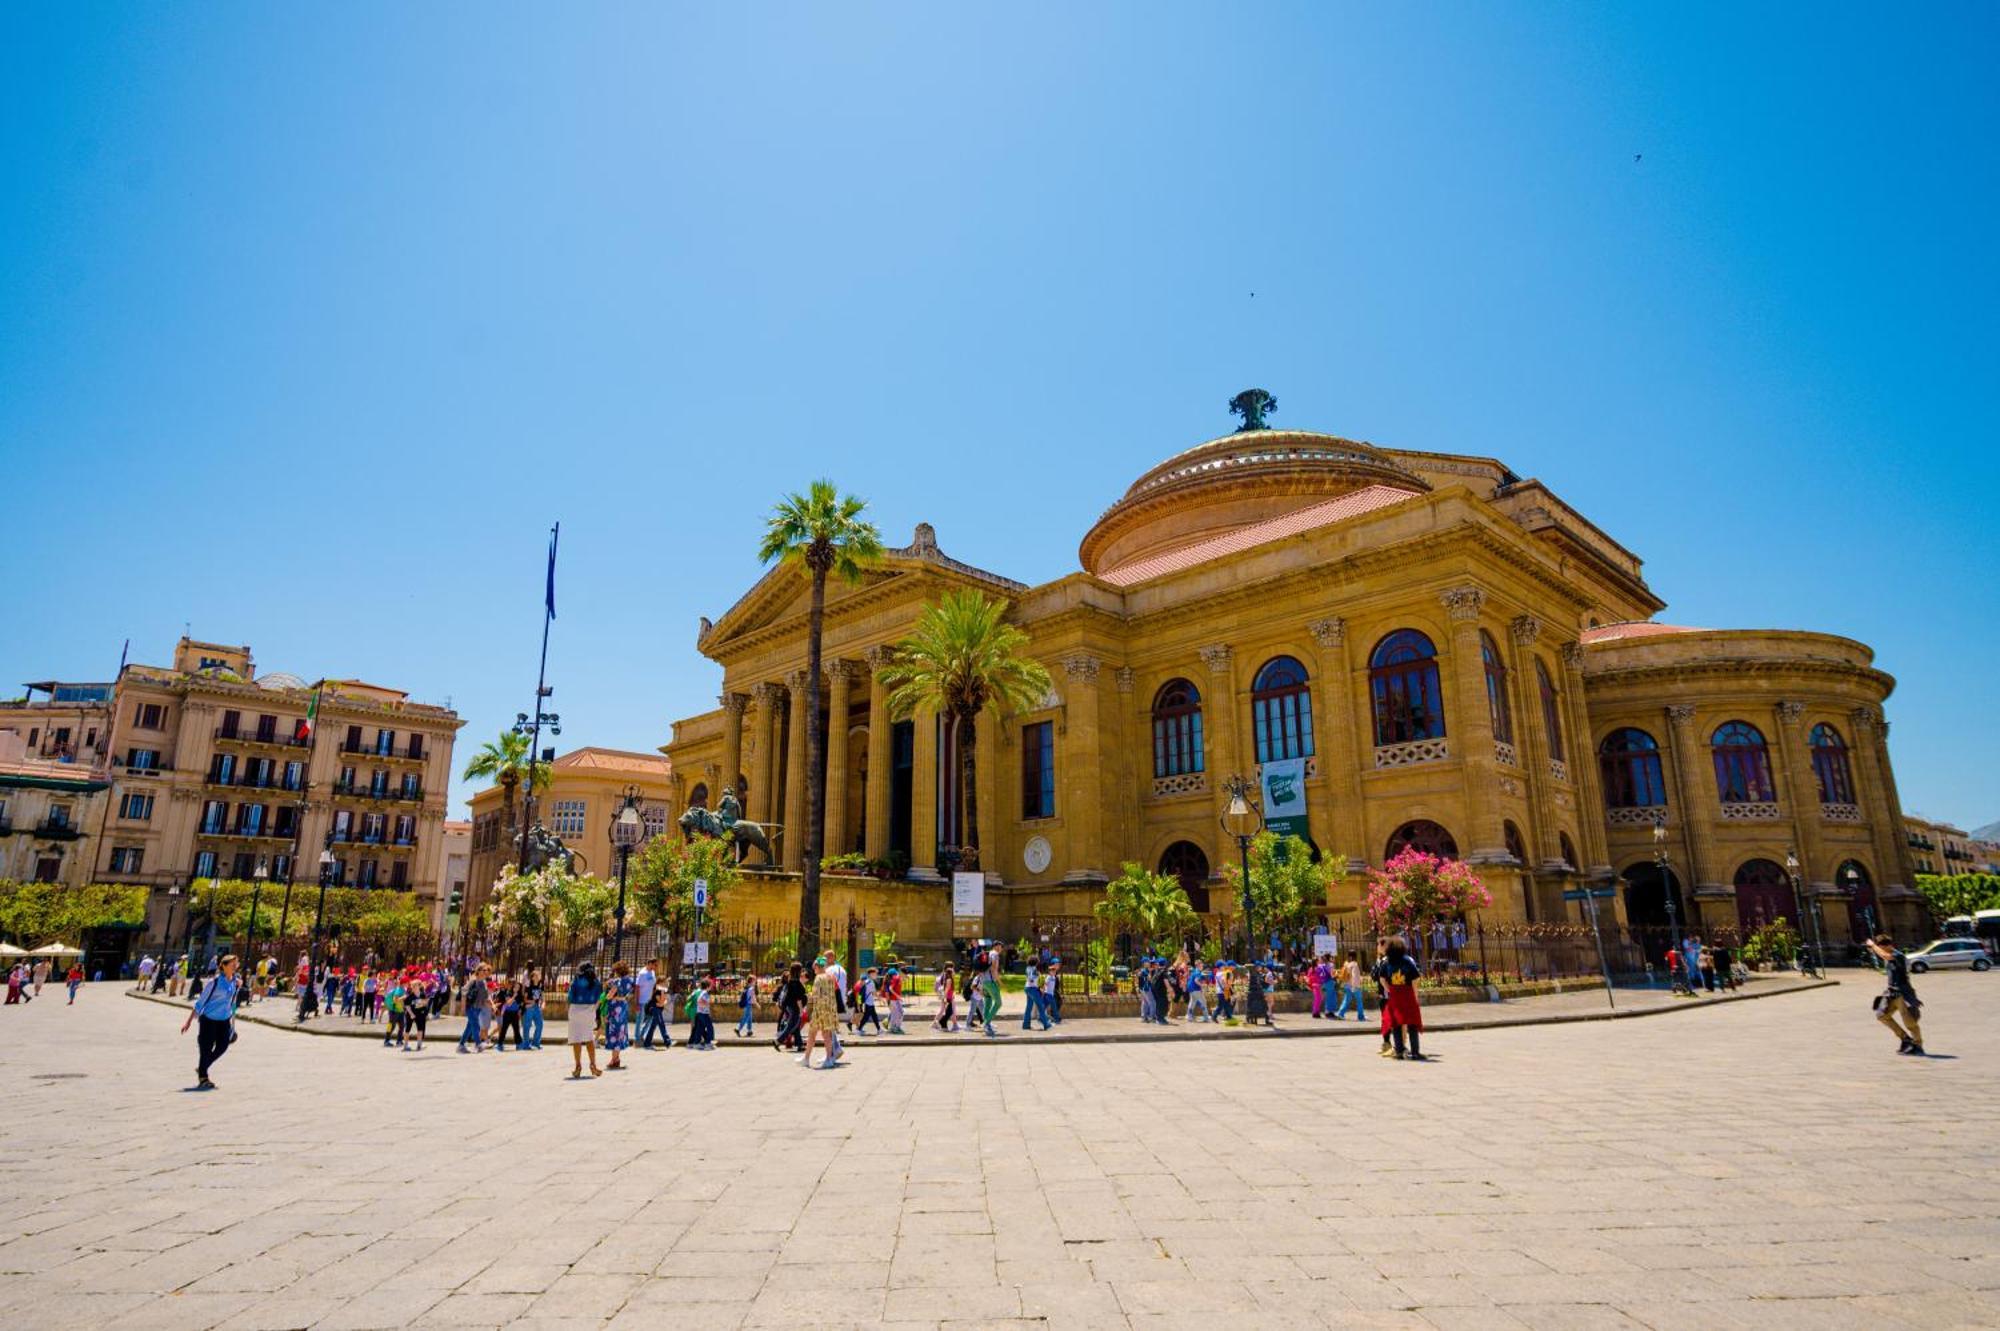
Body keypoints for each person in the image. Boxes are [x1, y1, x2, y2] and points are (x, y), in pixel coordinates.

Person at [180, 954, 242, 1090]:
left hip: (224, 1020)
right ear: (223, 966)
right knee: (206, 1049)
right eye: (232, 964)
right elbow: (200, 1003)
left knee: (223, 1046)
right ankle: (203, 1077)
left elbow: (232, 1001)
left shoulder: (235, 981)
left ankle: (203, 1066)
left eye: (236, 964)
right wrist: (189, 1022)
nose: (235, 966)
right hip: (209, 1019)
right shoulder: (213, 983)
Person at [1866, 933, 1924, 1055]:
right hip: (1891, 993)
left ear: (1888, 946)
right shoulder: (1889, 955)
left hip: (1903, 993)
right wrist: (1874, 948)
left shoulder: (1898, 955)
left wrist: (1872, 945)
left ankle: (1918, 1045)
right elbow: (1884, 956)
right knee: (1881, 1015)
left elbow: (1885, 955)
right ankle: (1905, 1039)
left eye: (1880, 947)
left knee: (1910, 1022)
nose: (1879, 951)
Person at [1374, 936, 1425, 1060]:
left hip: (1395, 996)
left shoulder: (1386, 962)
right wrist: (1415, 995)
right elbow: (1415, 979)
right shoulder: (1407, 961)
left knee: (1396, 1024)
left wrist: (1390, 989)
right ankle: (1415, 1052)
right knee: (1412, 1024)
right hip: (1407, 994)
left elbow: (1381, 979)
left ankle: (1399, 1051)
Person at [802, 957, 842, 1070]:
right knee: (826, 1034)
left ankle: (806, 1059)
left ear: (817, 967)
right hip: (830, 1009)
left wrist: (808, 996)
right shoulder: (831, 977)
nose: (813, 970)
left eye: (814, 967)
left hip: (820, 1010)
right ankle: (828, 1058)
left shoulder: (818, 978)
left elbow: (816, 995)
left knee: (813, 1033)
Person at [456, 964, 491, 1053]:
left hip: (478, 1008)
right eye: (483, 970)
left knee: (470, 1027)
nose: (485, 972)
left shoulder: (484, 982)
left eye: (486, 971)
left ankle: (461, 1045)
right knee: (476, 1025)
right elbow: (464, 991)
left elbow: (485, 997)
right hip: (471, 1007)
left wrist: (491, 1005)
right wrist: (463, 1007)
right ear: (478, 971)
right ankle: (478, 1044)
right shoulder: (473, 980)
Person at [776, 962, 807, 1051]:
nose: (802, 971)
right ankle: (778, 1041)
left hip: (789, 1007)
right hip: (795, 1008)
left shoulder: (791, 981)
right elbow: (798, 999)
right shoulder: (796, 983)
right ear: (798, 971)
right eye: (801, 970)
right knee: (791, 1026)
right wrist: (801, 1010)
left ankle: (799, 1044)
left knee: (796, 1025)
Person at [637, 978, 670, 1049]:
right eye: (665, 982)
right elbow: (661, 1002)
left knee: (653, 1026)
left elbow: (664, 1002)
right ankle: (668, 1042)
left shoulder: (663, 990)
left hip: (657, 1009)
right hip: (653, 1009)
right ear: (661, 983)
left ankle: (647, 1043)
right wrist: (663, 1001)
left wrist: (663, 1002)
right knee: (661, 1024)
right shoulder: (657, 991)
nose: (667, 984)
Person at [689, 976, 717, 1050]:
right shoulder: (705, 993)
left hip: (700, 1013)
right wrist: (706, 1004)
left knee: (700, 1028)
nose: (711, 987)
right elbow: (700, 1001)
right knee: (710, 1027)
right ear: (708, 986)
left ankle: (696, 1043)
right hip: (704, 1014)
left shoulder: (703, 992)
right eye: (711, 985)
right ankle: (708, 1043)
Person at [520, 970, 545, 1049]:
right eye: (536, 975)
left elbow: (543, 998)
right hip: (529, 1007)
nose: (538, 976)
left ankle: (536, 1043)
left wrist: (543, 1005)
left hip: (537, 1008)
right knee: (527, 1026)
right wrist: (532, 1002)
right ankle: (526, 1044)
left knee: (540, 1025)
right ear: (533, 977)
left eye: (539, 975)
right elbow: (525, 999)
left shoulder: (541, 986)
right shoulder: (528, 987)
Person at [933, 964, 956, 1032]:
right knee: (949, 1012)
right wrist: (945, 998)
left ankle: (944, 1025)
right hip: (948, 998)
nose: (954, 973)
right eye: (953, 972)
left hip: (949, 997)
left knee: (949, 1012)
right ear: (950, 973)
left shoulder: (948, 979)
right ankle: (941, 1021)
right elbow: (946, 989)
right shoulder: (949, 980)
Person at [736, 972, 758, 1039]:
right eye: (754, 980)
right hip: (748, 1005)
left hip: (746, 1004)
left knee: (749, 1018)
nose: (755, 982)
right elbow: (753, 998)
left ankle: (749, 1030)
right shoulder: (751, 988)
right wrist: (757, 1005)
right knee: (746, 1017)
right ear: (751, 981)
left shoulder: (746, 987)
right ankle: (738, 1029)